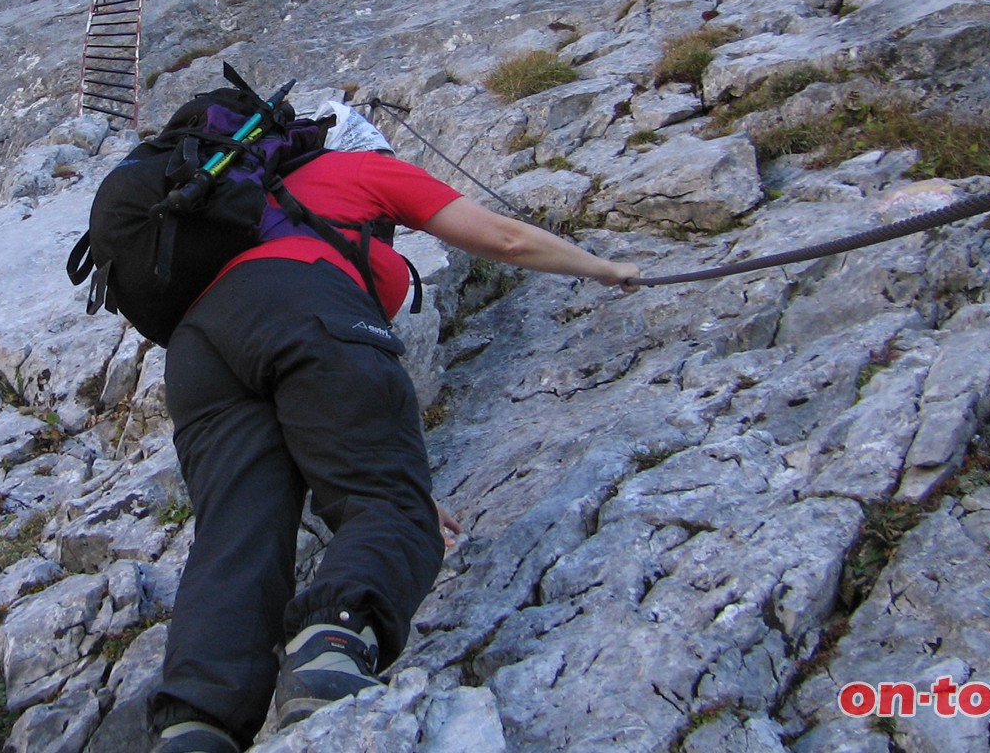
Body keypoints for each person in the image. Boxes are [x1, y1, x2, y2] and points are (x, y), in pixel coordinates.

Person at [148, 102, 640, 753]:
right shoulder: (362, 172)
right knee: (393, 511)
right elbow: (506, 239)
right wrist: (607, 268)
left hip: (196, 354)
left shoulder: (248, 202)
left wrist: (391, 467)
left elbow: (320, 427)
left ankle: (194, 724)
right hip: (306, 307)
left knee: (236, 537)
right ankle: (332, 648)